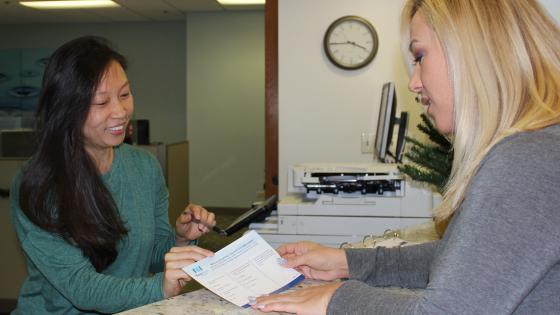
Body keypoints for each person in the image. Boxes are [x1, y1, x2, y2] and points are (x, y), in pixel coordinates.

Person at [253, 0, 560, 314]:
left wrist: (335, 299)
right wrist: (347, 262)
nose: (414, 82)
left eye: (420, 56)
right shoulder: (540, 148)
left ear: (472, 50)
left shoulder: (528, 159)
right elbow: (467, 261)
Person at [10, 36, 216, 314]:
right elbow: (80, 287)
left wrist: (180, 240)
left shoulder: (145, 166)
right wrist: (159, 288)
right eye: (101, 102)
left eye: (124, 95)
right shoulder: (39, 184)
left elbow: (152, 258)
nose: (120, 112)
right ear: (67, 108)